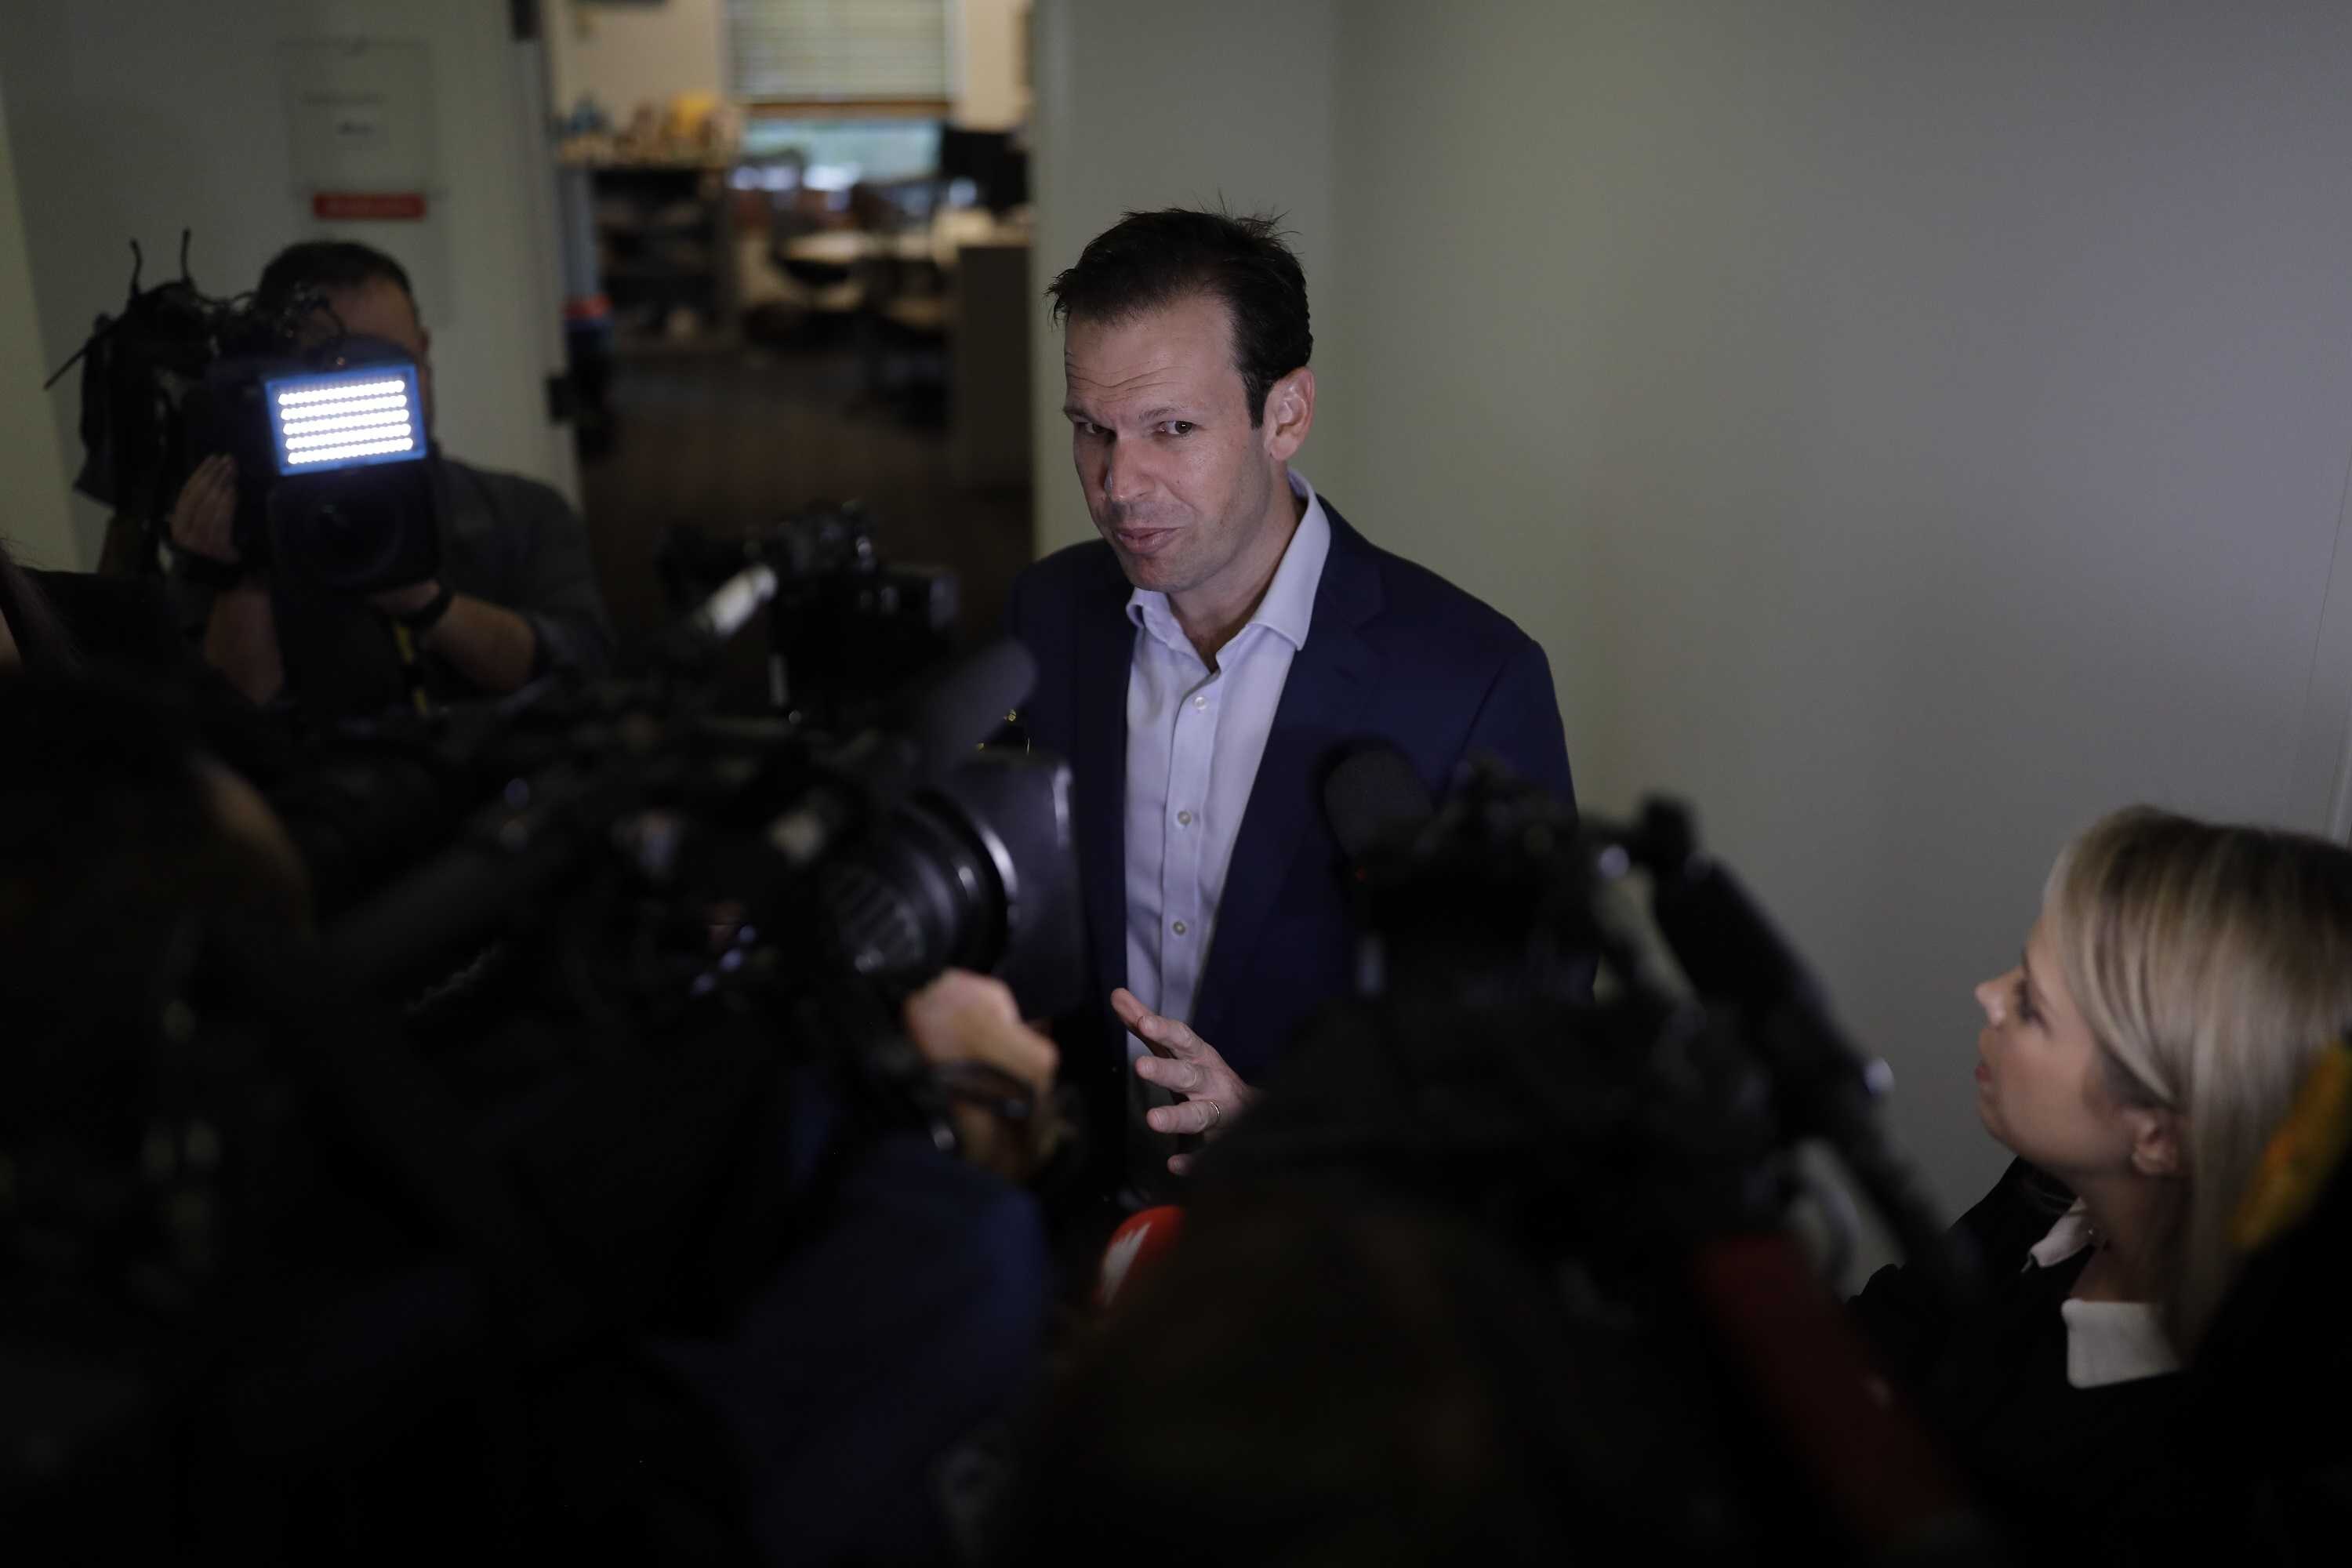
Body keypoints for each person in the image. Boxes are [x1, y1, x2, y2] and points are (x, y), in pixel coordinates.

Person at [1006, 208, 1574, 1201]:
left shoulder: (1476, 681)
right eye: (1091, 430)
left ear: (1287, 415)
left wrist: (1278, 1131)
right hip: (1079, 1228)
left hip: (1328, 1267)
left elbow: (1529, 1056)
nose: (1117, 484)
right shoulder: (1047, 613)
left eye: (1171, 429)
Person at [1850, 805, 2352, 1555]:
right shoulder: (2052, 1202)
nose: (1989, 992)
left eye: (2033, 1006)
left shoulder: (2168, 1490)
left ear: (2156, 1133)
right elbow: (1889, 1333)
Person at [168, 241, 612, 713]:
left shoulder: (520, 511)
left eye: (390, 361)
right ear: (279, 377)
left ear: (424, 352)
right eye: (340, 365)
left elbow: (584, 666)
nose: (371, 386)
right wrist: (244, 579)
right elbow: (228, 728)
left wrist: (427, 604)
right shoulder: (244, 536)